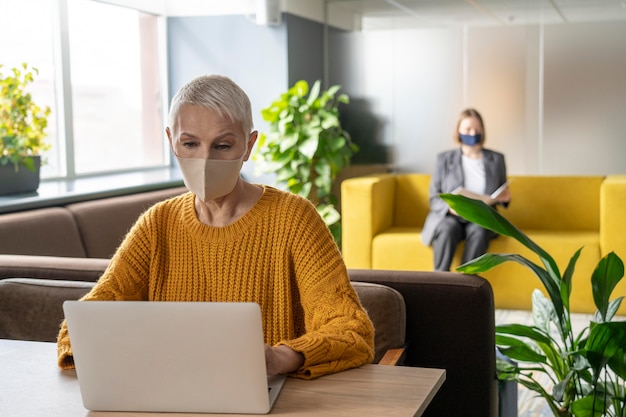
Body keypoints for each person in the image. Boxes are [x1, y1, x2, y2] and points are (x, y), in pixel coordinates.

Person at [57, 74, 374, 379]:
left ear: (248, 146)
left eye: (222, 146)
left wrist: (278, 358)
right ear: (171, 141)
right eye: (190, 144)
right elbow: (79, 327)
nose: (204, 160)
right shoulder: (157, 224)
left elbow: (351, 330)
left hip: (274, 396)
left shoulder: (294, 219)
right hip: (171, 395)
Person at [421, 108, 511, 271]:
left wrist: (504, 198)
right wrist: (450, 207)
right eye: (468, 129)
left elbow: (501, 193)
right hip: (451, 217)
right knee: (447, 229)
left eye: (477, 129)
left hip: (481, 217)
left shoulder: (497, 159)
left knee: (480, 230)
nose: (473, 132)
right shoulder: (444, 159)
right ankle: (440, 280)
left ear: (483, 131)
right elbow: (434, 199)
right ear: (459, 131)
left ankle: (466, 285)